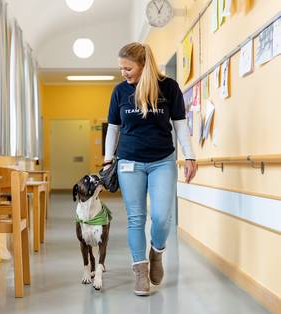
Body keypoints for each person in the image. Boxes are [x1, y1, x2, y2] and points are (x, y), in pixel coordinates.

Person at [103, 42, 197, 296]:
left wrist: (190, 156)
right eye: (121, 68)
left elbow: (179, 125)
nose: (123, 73)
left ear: (143, 65)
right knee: (135, 218)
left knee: (161, 216)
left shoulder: (169, 87)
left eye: (127, 68)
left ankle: (157, 251)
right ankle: (140, 272)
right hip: (129, 161)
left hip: (162, 161)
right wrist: (107, 159)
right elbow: (113, 127)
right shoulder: (120, 92)